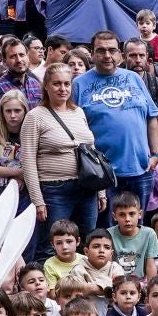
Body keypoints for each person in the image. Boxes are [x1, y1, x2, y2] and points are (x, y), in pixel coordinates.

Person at [74, 31, 158, 218]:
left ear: (120, 55)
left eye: (112, 50)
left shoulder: (134, 78)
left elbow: (151, 117)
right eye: (101, 50)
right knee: (108, 232)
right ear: (92, 54)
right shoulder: (78, 85)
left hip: (142, 169)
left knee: (138, 227)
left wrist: (155, 155)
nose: (107, 55)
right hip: (103, 174)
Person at [21, 63, 99, 247]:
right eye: (57, 84)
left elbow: (92, 151)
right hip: (54, 190)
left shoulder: (78, 112)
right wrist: (37, 200)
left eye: (67, 83)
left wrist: (100, 191)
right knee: (52, 245)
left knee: (86, 242)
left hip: (86, 187)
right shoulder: (35, 116)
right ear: (46, 85)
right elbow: (28, 161)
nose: (63, 88)